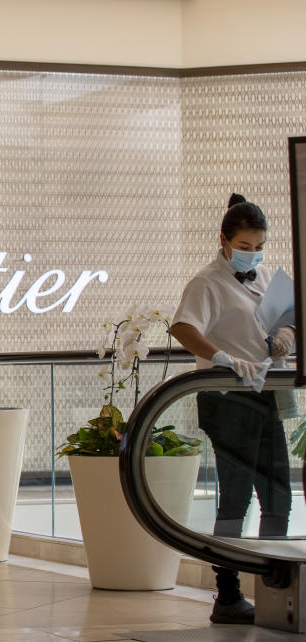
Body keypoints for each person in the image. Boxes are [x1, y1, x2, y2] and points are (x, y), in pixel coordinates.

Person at [170, 193, 294, 625]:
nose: (253, 254)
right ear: (223, 241)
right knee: (236, 499)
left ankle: (278, 590)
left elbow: (286, 316)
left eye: (259, 246)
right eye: (244, 246)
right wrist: (219, 356)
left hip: (264, 395)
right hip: (228, 399)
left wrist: (287, 335)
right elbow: (183, 326)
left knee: (278, 497)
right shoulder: (207, 282)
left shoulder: (265, 278)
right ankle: (227, 594)